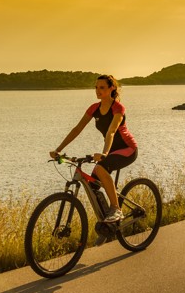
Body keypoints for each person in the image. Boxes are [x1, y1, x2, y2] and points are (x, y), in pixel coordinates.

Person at [50, 74, 138, 222]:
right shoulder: (94, 108)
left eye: (102, 87)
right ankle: (107, 224)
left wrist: (104, 153)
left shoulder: (117, 108)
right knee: (92, 186)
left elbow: (111, 131)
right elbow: (77, 129)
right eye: (96, 87)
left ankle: (116, 209)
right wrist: (58, 149)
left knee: (100, 168)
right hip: (110, 150)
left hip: (127, 148)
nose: (98, 91)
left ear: (112, 88)